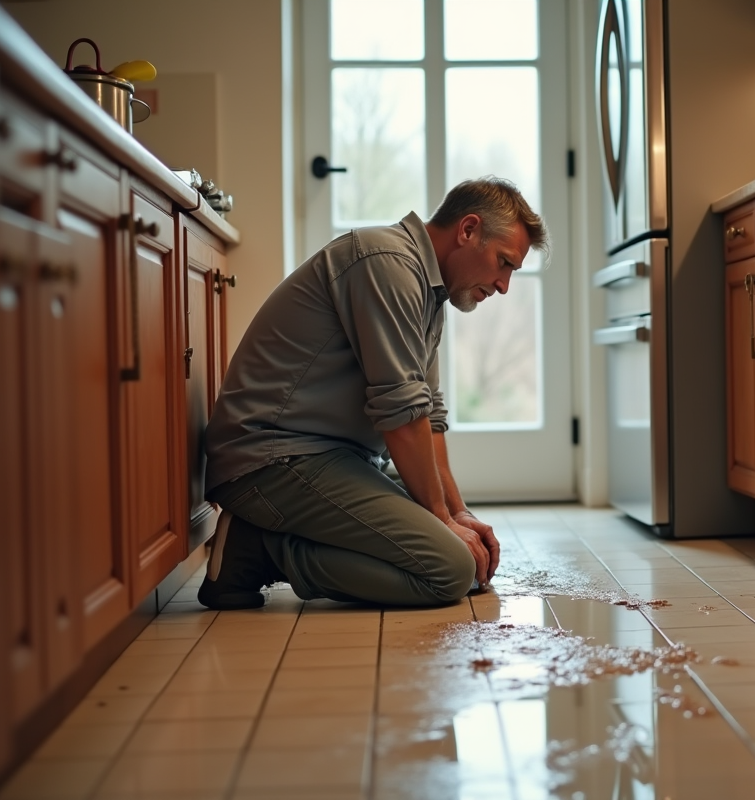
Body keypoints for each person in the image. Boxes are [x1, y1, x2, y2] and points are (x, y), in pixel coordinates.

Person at [197, 177, 549, 610]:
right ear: (468, 229)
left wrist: (458, 514)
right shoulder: (387, 264)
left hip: (331, 458)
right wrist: (441, 522)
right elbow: (402, 417)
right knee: (450, 570)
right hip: (271, 460)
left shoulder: (430, 290)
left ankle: (271, 544)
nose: (503, 285)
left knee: (466, 556)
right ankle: (257, 551)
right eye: (504, 263)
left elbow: (427, 415)